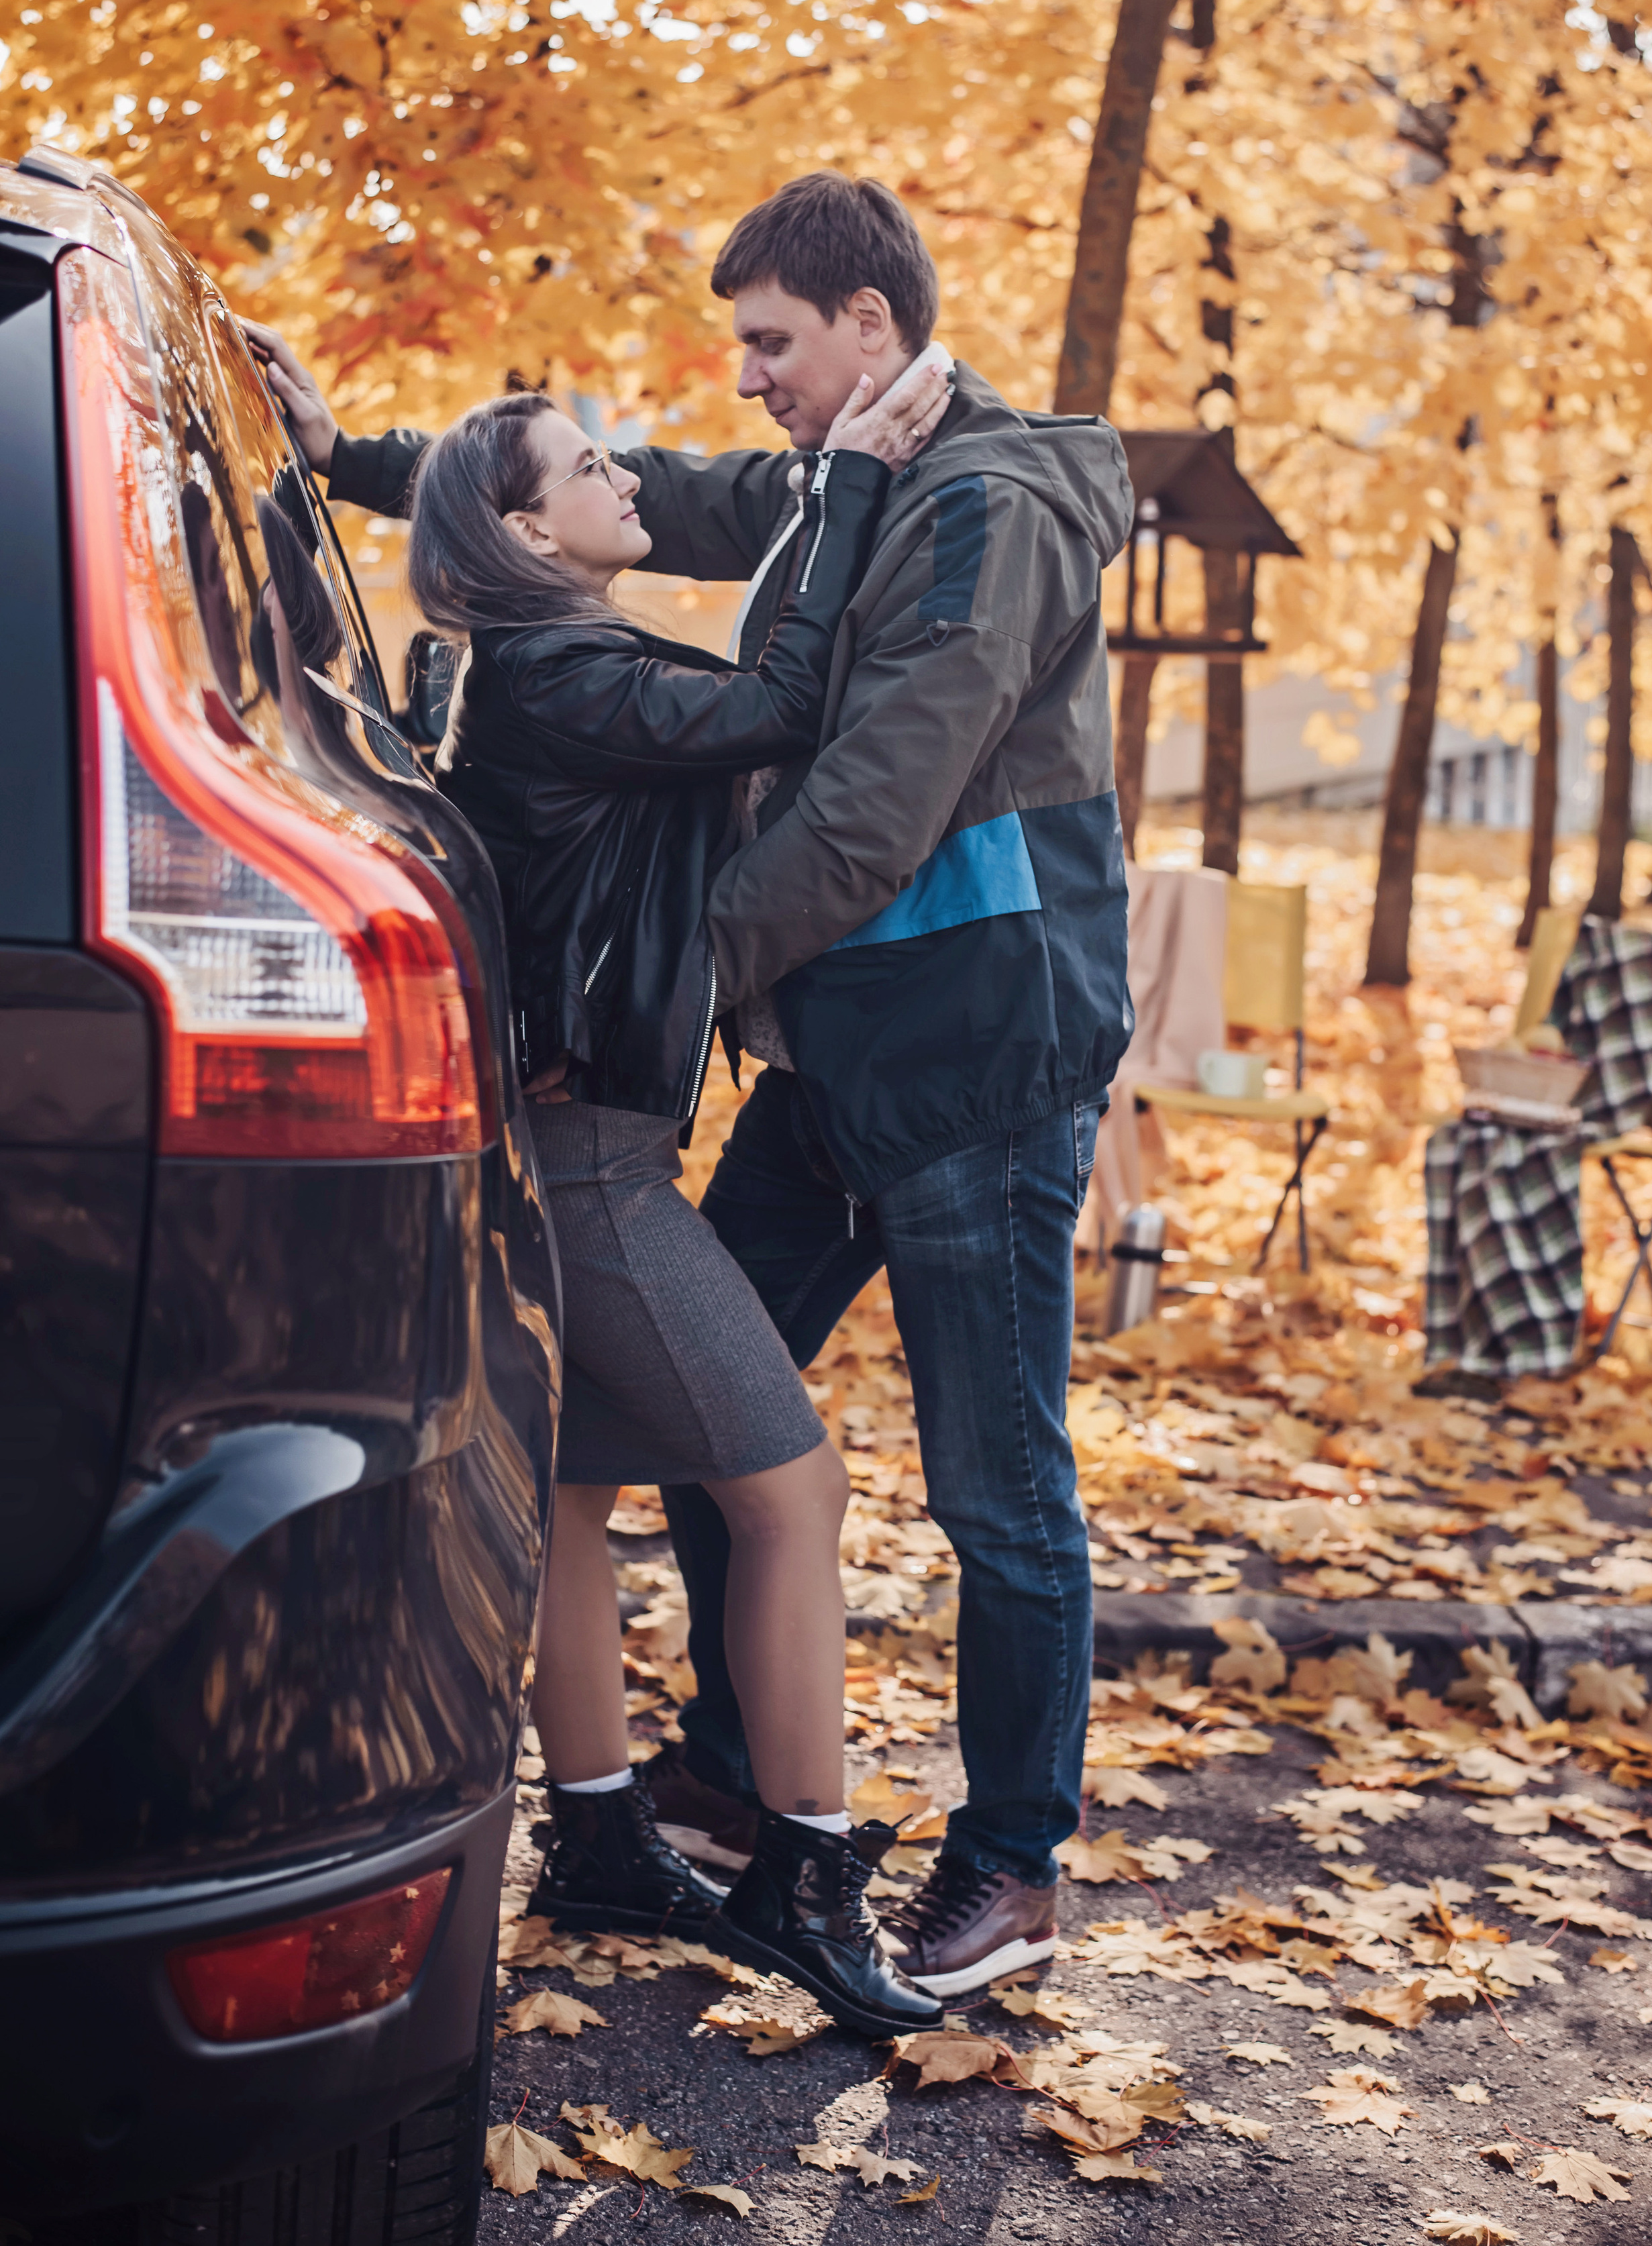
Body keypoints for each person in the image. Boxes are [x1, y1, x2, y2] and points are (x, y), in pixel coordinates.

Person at [242, 168, 1134, 1999]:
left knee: (997, 1487)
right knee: (688, 1427)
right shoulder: (835, 481)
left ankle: (1011, 1863)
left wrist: (665, 987)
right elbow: (614, 494)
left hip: (971, 1051)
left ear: (867, 328)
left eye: (770, 342)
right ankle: (722, 1787)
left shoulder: (983, 504)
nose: (745, 381)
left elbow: (874, 795)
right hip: (829, 1059)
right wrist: (355, 458)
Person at [399, 372, 950, 2037]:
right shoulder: (559, 669)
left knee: (572, 1500)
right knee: (791, 1495)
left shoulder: (556, 666)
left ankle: (596, 1836)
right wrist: (843, 478)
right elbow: (780, 706)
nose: (620, 471)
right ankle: (804, 1872)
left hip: (568, 1145)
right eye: (585, 466)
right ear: (518, 529)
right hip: (593, 1172)